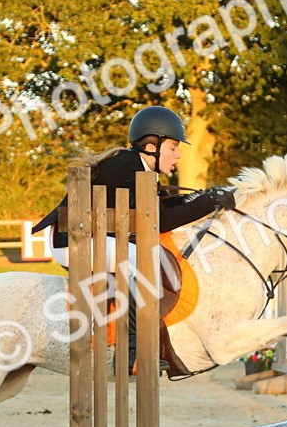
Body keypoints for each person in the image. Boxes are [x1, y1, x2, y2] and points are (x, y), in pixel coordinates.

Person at [32, 106, 237, 371]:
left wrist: (207, 196)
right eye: (173, 147)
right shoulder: (127, 167)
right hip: (71, 241)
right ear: (152, 146)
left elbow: (164, 207)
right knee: (143, 259)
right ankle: (130, 350)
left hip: (84, 237)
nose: (178, 155)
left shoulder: (136, 166)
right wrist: (209, 201)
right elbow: (161, 220)